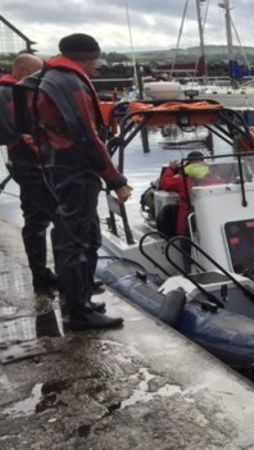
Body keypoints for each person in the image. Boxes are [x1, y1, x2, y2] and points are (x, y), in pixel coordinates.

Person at [20, 34, 132, 331]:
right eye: (95, 60)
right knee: (76, 242)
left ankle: (79, 301)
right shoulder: (70, 84)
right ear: (86, 57)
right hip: (74, 170)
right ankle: (78, 312)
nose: (97, 66)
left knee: (79, 237)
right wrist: (115, 179)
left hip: (58, 165)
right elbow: (86, 136)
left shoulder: (50, 77)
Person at [0, 53, 57, 291]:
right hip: (29, 163)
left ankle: (49, 273)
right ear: (22, 70)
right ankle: (41, 274)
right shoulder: (10, 93)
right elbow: (18, 133)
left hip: (30, 161)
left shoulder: (18, 91)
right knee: (38, 219)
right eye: (36, 73)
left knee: (41, 218)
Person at [158, 151, 223, 237]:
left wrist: (171, 169)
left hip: (187, 223)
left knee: (185, 242)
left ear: (188, 163)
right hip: (212, 220)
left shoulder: (181, 180)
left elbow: (164, 184)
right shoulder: (216, 179)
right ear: (203, 162)